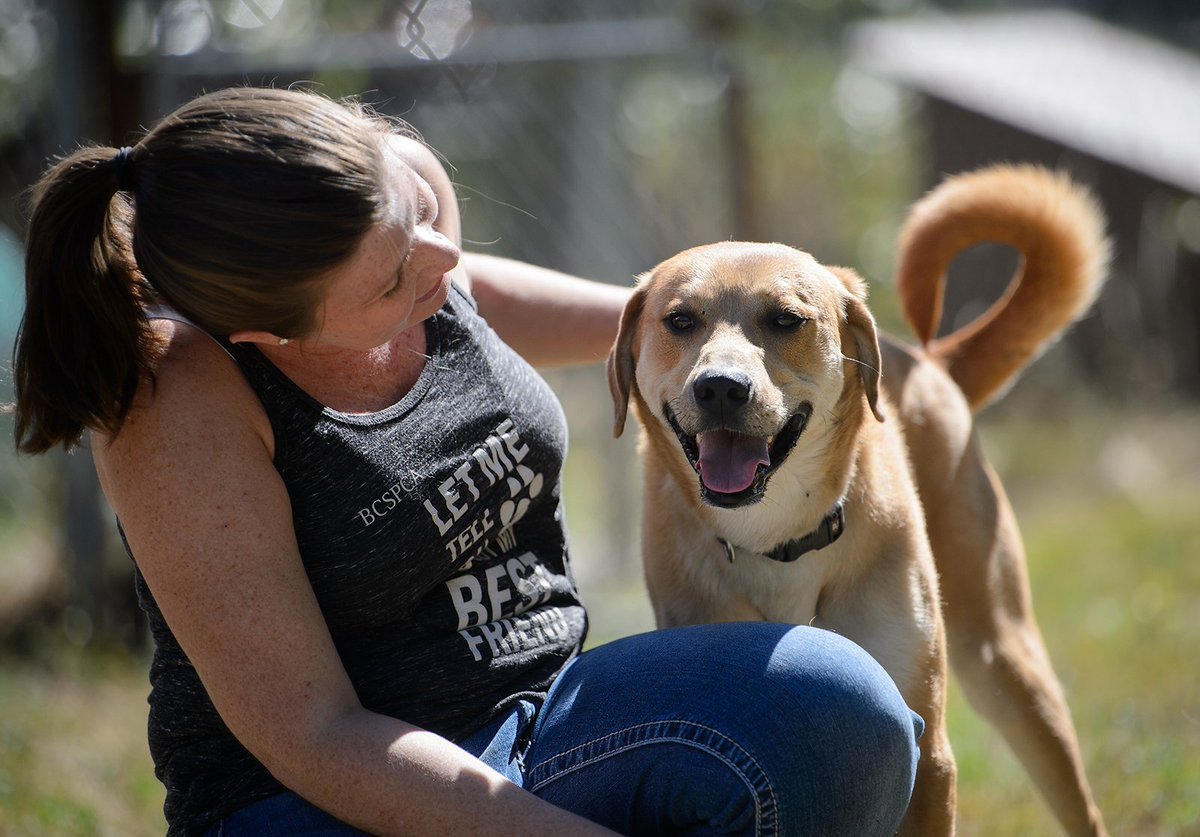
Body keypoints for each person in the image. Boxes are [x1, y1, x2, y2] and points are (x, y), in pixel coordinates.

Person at [12, 86, 922, 836]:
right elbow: (313, 733)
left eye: (418, 218)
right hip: (324, 799)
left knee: (839, 712)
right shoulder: (178, 398)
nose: (450, 258)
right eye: (396, 276)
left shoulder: (404, 204)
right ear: (269, 331)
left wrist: (714, 329)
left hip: (550, 713)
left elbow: (499, 292)